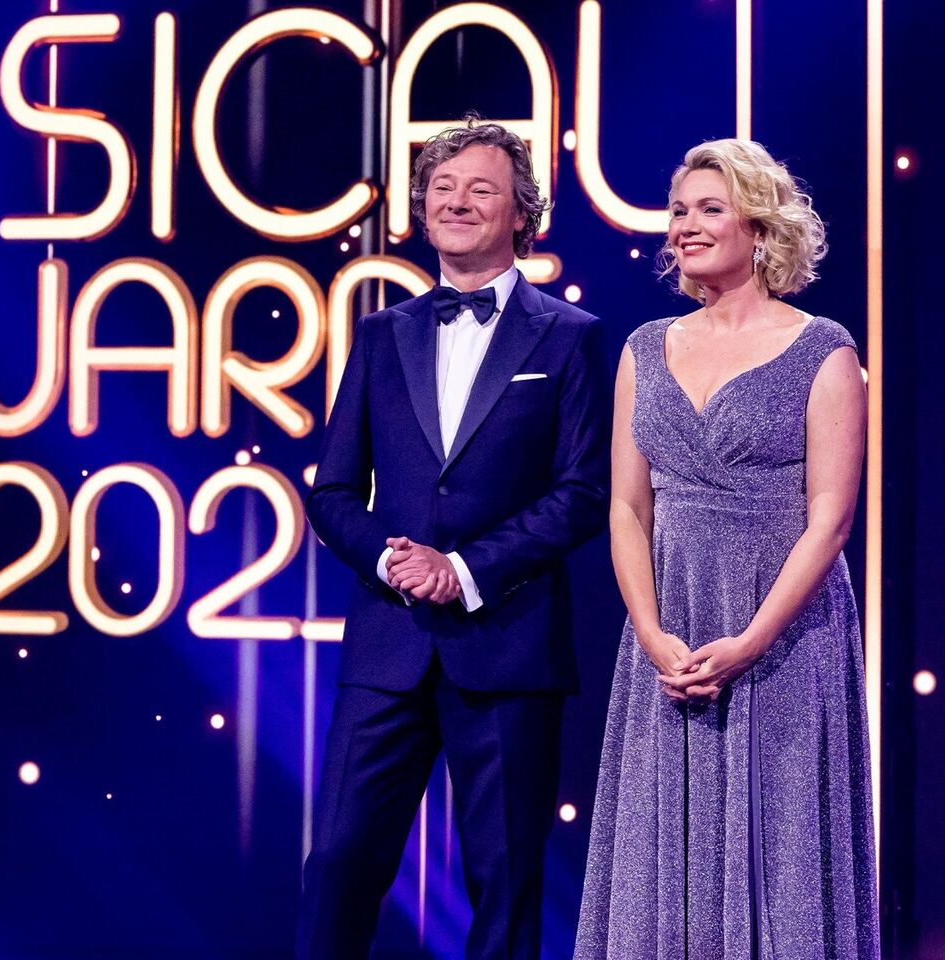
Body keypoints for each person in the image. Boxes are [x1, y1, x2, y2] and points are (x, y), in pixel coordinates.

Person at [297, 116, 611, 959]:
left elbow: (585, 491)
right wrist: (391, 560)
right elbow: (332, 492)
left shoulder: (571, 337)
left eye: (480, 189)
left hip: (507, 646)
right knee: (337, 862)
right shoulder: (381, 333)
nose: (456, 202)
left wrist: (465, 570)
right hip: (387, 647)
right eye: (441, 188)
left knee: (505, 886)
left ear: (522, 213)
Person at [574, 139, 879, 959]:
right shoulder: (645, 348)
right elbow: (627, 507)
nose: (686, 225)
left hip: (784, 636)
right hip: (670, 632)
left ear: (760, 225)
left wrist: (751, 641)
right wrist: (650, 633)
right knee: (661, 846)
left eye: (710, 208)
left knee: (782, 847)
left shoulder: (824, 349)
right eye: (679, 210)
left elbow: (830, 520)